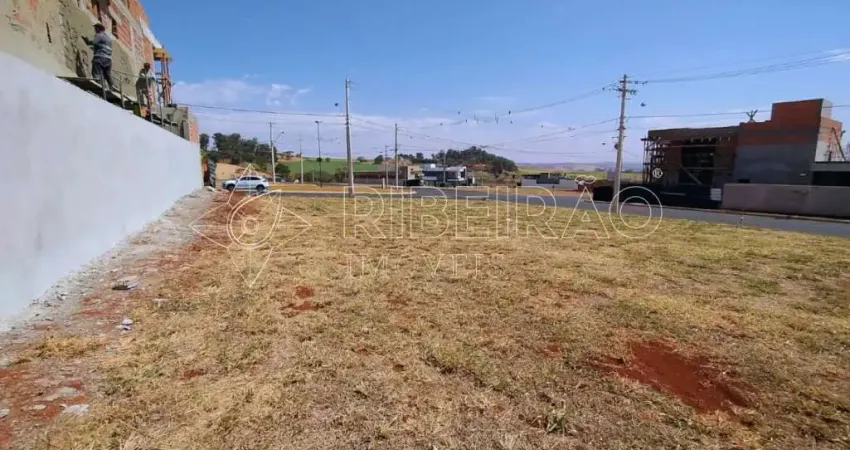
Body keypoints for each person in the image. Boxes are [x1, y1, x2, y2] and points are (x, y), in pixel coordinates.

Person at [82, 23, 113, 90]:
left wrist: (86, 40)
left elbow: (92, 42)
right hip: (108, 60)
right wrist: (94, 49)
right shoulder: (109, 39)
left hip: (99, 58)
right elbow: (104, 48)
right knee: (107, 74)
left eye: (95, 28)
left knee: (96, 73)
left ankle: (100, 87)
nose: (95, 30)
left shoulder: (99, 35)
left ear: (99, 28)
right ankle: (112, 86)